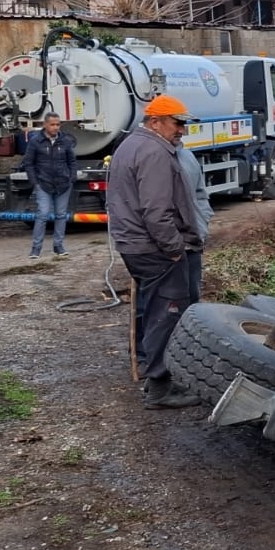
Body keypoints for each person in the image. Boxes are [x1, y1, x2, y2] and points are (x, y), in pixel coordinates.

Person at [106, 94, 203, 409]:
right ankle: (160, 387)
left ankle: (159, 378)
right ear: (156, 121)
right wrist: (175, 249)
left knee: (155, 311)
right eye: (178, 123)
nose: (182, 131)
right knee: (167, 313)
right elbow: (156, 211)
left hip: (136, 245)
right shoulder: (154, 152)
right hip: (156, 248)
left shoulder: (131, 146)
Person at [21, 112, 77, 259]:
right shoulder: (35, 142)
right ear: (45, 125)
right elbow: (28, 163)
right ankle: (36, 248)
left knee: (60, 215)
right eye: (52, 124)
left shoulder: (65, 141)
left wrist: (71, 178)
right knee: (43, 214)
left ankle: (58, 246)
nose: (55, 127)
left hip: (63, 184)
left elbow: (72, 161)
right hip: (43, 184)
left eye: (58, 124)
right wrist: (35, 183)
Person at [174, 134, 214, 305]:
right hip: (165, 248)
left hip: (192, 242)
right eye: (176, 123)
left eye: (182, 124)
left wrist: (202, 223)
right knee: (162, 304)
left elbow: (200, 194)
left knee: (191, 296)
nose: (181, 130)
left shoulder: (187, 157)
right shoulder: (152, 160)